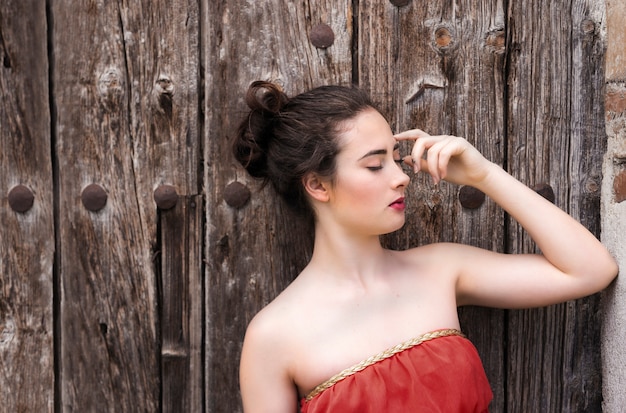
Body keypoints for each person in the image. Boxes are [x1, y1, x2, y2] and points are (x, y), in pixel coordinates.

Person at [233, 80, 619, 413]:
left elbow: (591, 271)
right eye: (374, 165)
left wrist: (485, 174)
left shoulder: (441, 269)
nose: (401, 177)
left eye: (397, 160)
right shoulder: (273, 335)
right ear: (317, 185)